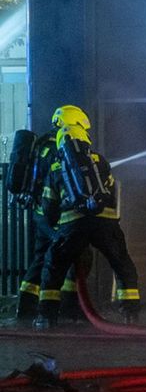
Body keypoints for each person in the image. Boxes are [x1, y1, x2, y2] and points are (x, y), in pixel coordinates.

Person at [36, 105, 142, 329]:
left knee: (54, 266)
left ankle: (46, 317)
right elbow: (111, 193)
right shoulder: (100, 161)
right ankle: (130, 313)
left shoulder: (56, 166)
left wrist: (57, 229)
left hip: (72, 224)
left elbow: (48, 204)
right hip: (106, 222)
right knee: (121, 263)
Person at [10, 122, 90, 327]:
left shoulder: (42, 145)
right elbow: (58, 184)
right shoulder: (58, 149)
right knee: (74, 256)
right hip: (53, 215)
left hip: (41, 214)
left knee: (40, 260)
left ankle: (26, 309)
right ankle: (66, 308)